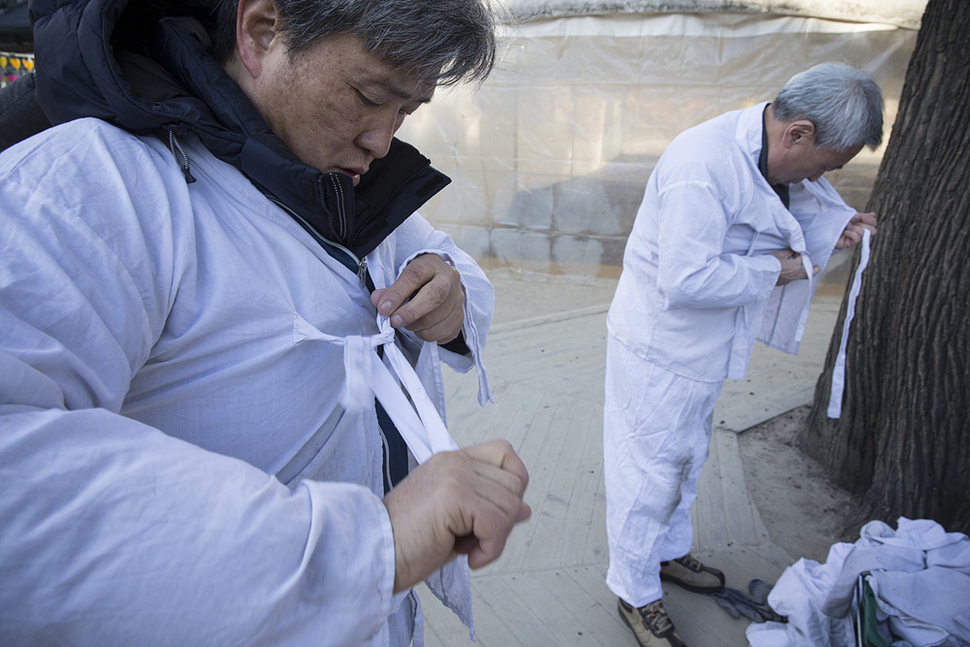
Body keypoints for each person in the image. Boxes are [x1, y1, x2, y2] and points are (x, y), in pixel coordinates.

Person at [0, 0, 531, 645]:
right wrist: (371, 546)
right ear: (261, 32)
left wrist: (450, 299)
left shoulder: (345, 186)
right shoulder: (91, 187)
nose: (382, 140)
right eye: (368, 95)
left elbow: (447, 260)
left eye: (406, 113)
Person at [603, 62, 883, 647]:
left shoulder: (768, 152)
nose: (825, 178)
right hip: (662, 346)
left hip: (704, 346)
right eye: (829, 164)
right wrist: (775, 271)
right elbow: (684, 280)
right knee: (647, 469)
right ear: (798, 134)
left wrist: (835, 226)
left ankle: (669, 552)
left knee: (688, 457)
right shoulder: (700, 167)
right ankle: (635, 589)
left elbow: (791, 203)